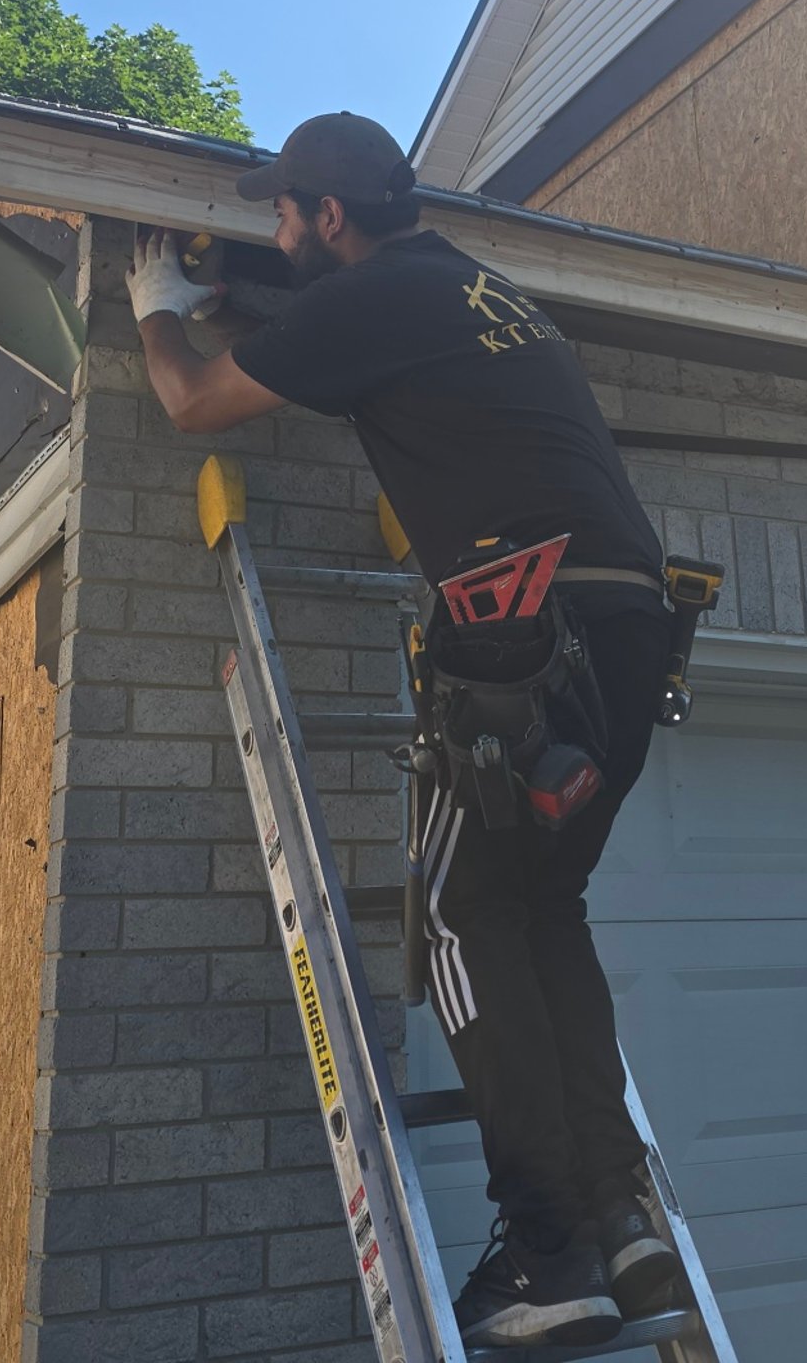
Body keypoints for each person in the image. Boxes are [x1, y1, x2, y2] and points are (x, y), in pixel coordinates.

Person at [125, 110, 679, 1349]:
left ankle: (548, 1255)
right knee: (542, 913)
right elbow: (322, 354)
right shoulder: (467, 291)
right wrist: (237, 297)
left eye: (284, 212)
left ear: (331, 218)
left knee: (457, 926)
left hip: (528, 641)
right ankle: (624, 1226)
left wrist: (159, 304)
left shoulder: (377, 299)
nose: (272, 228)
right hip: (628, 635)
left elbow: (199, 402)